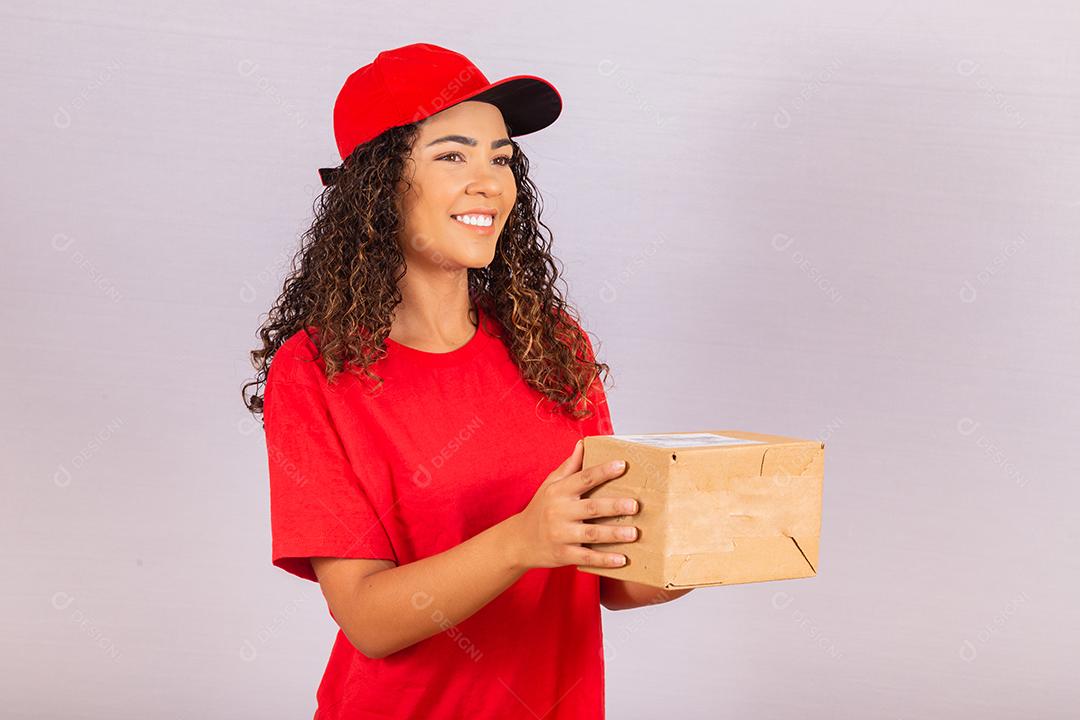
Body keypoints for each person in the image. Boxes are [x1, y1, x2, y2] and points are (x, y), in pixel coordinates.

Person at [242, 43, 691, 720]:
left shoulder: (550, 342)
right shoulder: (316, 369)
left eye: (501, 159)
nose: (490, 183)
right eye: (453, 156)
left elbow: (607, 578)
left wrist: (702, 545)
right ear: (378, 186)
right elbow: (366, 618)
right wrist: (522, 541)